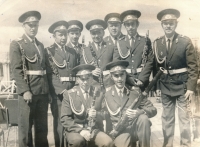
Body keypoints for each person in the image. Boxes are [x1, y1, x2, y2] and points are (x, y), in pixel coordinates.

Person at [153, 8, 198, 147]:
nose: (168, 25)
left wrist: (190, 88)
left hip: (183, 86)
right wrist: (157, 87)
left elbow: (193, 66)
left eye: (171, 23)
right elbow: (156, 68)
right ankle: (168, 144)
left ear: (176, 24)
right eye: (165, 23)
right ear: (161, 25)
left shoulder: (185, 41)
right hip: (165, 86)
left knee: (184, 118)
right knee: (167, 118)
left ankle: (185, 144)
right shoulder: (157, 43)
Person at [10, 11, 49, 147]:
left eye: (36, 25)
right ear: (24, 26)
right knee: (26, 130)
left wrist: (47, 91)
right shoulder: (17, 44)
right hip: (29, 92)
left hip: (42, 93)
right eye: (30, 25)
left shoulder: (40, 45)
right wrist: (25, 90)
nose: (33, 28)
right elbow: (16, 70)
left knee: (42, 130)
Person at [104, 60, 157, 147]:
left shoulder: (134, 92)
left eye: (122, 75)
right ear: (111, 77)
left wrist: (139, 112)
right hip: (119, 131)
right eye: (116, 76)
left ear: (126, 75)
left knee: (143, 119)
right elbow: (102, 114)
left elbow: (153, 109)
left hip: (135, 130)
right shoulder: (106, 94)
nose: (120, 79)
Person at [60, 64, 113, 147]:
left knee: (108, 142)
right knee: (78, 141)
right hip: (75, 130)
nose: (85, 82)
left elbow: (106, 113)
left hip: (94, 129)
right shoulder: (69, 94)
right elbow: (65, 118)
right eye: (82, 79)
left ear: (91, 78)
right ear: (77, 79)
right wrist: (81, 131)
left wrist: (97, 114)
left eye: (88, 78)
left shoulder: (99, 93)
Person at [45, 20, 78, 147]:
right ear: (54, 36)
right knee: (59, 124)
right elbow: (51, 75)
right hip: (59, 95)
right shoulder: (49, 51)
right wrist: (63, 91)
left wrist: (75, 90)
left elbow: (76, 72)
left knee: (72, 124)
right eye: (60, 34)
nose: (63, 37)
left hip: (73, 93)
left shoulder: (72, 51)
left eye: (65, 34)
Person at [118, 10, 153, 90]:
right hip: (125, 81)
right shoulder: (119, 43)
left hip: (142, 82)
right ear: (125, 26)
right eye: (128, 25)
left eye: (132, 24)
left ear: (137, 24)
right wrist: (128, 78)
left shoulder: (145, 41)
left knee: (142, 102)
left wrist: (142, 79)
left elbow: (150, 61)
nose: (130, 27)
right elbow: (117, 63)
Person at [80, 19, 120, 89]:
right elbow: (82, 69)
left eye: (99, 32)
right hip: (92, 86)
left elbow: (116, 66)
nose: (96, 36)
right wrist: (91, 72)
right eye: (93, 33)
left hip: (109, 85)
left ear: (103, 33)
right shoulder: (85, 50)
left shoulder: (112, 47)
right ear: (90, 34)